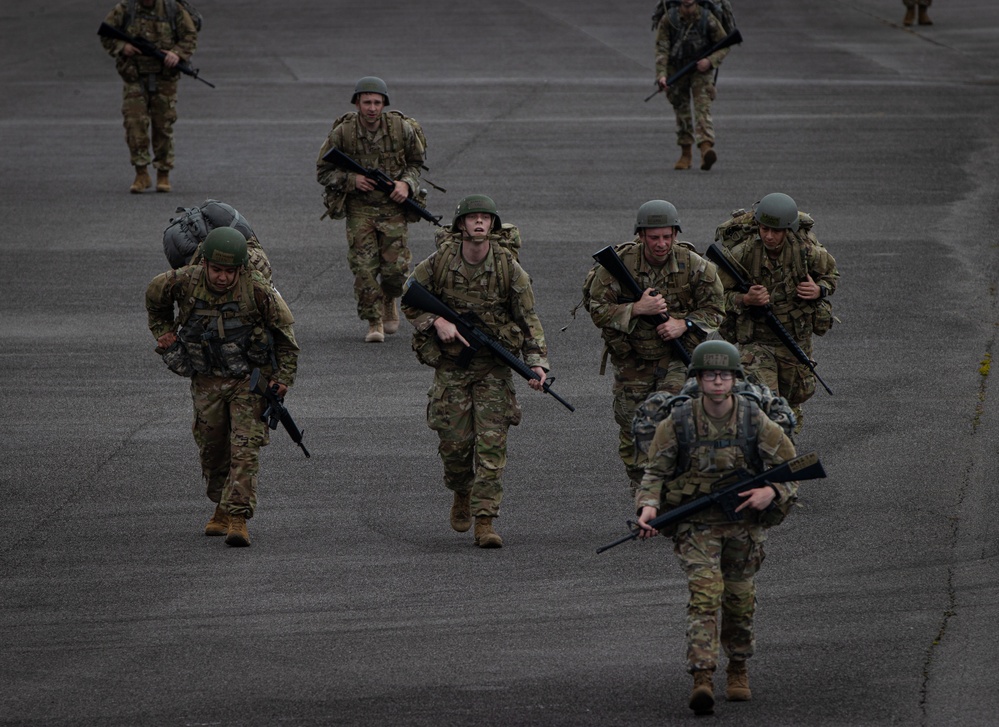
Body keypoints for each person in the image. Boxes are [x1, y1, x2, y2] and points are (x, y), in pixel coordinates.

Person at [634, 340, 798, 716]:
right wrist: (648, 507)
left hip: (744, 525)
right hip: (697, 526)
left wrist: (770, 491)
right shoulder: (678, 420)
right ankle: (702, 676)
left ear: (735, 379)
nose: (718, 381)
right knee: (705, 596)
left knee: (739, 600)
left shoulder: (754, 418)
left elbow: (792, 466)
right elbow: (655, 472)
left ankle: (737, 667)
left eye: (724, 375)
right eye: (710, 375)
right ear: (699, 379)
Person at [402, 195, 549, 549]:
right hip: (452, 366)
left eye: (486, 218)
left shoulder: (509, 268)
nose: (480, 223)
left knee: (491, 447)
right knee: (454, 447)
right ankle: (461, 491)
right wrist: (436, 321)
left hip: (493, 369)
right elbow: (409, 297)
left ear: (493, 226)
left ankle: (485, 520)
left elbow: (528, 319)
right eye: (473, 218)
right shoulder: (439, 263)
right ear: (461, 226)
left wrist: (538, 363)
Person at [145, 227, 300, 547]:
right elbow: (154, 296)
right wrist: (163, 331)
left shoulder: (257, 290)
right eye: (216, 270)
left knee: (245, 448)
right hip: (206, 378)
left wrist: (282, 378)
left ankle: (238, 517)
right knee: (212, 450)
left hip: (249, 381)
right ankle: (221, 504)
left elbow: (286, 337)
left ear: (241, 269)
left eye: (230, 272)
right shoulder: (183, 280)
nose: (222, 278)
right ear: (205, 265)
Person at [584, 200, 724, 495]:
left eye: (666, 237)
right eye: (654, 237)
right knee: (633, 427)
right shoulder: (619, 265)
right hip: (632, 358)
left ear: (675, 234)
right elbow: (597, 309)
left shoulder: (696, 266)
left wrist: (683, 324)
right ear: (641, 236)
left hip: (677, 356)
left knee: (673, 418)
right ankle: (642, 486)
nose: (661, 244)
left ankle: (675, 488)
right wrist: (636, 309)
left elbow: (716, 309)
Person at [715, 192, 839, 431]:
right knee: (764, 404)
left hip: (794, 337)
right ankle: (766, 453)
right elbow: (715, 296)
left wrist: (819, 290)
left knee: (792, 402)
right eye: (764, 229)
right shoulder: (743, 253)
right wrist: (745, 298)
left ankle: (783, 452)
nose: (769, 236)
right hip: (756, 341)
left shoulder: (807, 252)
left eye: (777, 231)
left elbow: (832, 276)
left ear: (789, 230)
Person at [316, 76, 426, 343]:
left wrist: (406, 184)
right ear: (357, 103)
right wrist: (352, 181)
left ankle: (390, 299)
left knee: (395, 271)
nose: (372, 108)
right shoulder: (343, 133)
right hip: (360, 211)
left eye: (377, 102)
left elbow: (416, 163)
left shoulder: (401, 129)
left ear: (384, 104)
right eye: (367, 102)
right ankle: (373, 320)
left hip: (393, 209)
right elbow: (323, 171)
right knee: (364, 269)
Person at [100, 0, 198, 193]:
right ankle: (141, 173)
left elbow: (190, 35)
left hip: (164, 78)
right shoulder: (126, 9)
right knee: (134, 123)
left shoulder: (172, 8)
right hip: (134, 76)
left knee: (163, 124)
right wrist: (122, 46)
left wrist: (176, 54)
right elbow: (106, 32)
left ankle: (163, 172)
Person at [654, 0, 731, 171]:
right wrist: (662, 75)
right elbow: (662, 49)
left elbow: (725, 44)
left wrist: (710, 61)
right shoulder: (669, 19)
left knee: (702, 108)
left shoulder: (707, 18)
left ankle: (705, 149)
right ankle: (686, 153)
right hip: (677, 70)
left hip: (700, 71)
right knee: (682, 111)